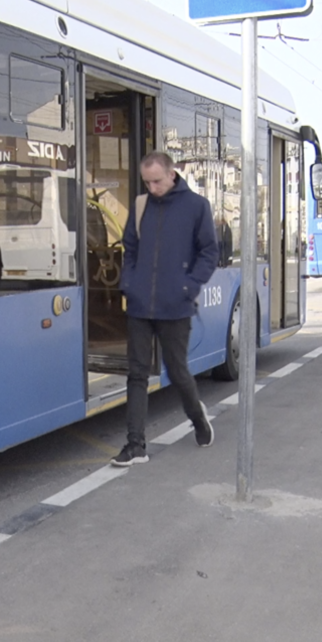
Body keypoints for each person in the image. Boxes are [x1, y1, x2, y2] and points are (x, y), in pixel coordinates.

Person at [111, 152, 219, 467]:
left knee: (178, 371)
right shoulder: (141, 205)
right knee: (137, 374)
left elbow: (210, 251)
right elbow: (129, 248)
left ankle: (198, 419)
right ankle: (135, 446)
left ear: (172, 174)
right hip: (140, 305)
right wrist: (128, 283)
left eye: (157, 181)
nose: (152, 187)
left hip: (176, 306)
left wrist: (189, 285)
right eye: (147, 182)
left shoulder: (197, 207)